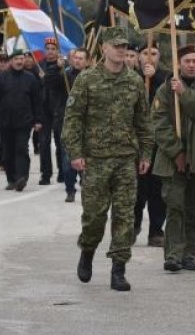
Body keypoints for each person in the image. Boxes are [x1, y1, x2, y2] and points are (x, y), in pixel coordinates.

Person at [63, 27, 151, 292]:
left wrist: (146, 153)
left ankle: (118, 270)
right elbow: (73, 118)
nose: (122, 50)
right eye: (116, 46)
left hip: (126, 159)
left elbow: (144, 122)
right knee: (94, 216)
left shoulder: (134, 81)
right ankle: (87, 250)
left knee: (125, 216)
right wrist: (75, 153)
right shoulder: (87, 79)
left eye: (124, 46)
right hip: (96, 160)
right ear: (104, 48)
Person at [151, 43, 195, 273]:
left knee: (194, 209)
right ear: (178, 64)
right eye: (186, 61)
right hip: (173, 160)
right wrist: (176, 152)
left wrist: (184, 93)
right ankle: (172, 255)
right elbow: (159, 124)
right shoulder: (164, 89)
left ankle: (190, 254)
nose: (191, 65)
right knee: (175, 207)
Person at [0, 50, 43, 192]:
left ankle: (22, 177)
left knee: (21, 149)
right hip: (5, 122)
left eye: (21, 58)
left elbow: (37, 101)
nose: (19, 61)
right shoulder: (1, 78)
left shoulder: (30, 78)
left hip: (24, 122)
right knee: (8, 151)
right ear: (11, 61)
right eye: (16, 58)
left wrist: (38, 120)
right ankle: (11, 179)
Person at [134, 38, 167, 245]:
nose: (149, 57)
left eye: (153, 53)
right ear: (138, 56)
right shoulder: (131, 77)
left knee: (158, 192)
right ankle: (133, 225)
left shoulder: (166, 78)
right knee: (136, 191)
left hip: (159, 144)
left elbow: (167, 105)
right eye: (145, 53)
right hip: (136, 144)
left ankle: (156, 231)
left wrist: (154, 80)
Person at [39, 38, 69, 186]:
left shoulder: (65, 66)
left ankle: (62, 172)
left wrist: (59, 68)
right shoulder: (40, 65)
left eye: (53, 48)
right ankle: (45, 174)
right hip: (44, 109)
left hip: (59, 108)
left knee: (60, 142)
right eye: (48, 48)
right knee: (43, 143)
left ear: (58, 51)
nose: (50, 51)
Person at [62, 48, 89, 203]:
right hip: (69, 124)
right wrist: (55, 68)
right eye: (75, 58)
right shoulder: (65, 75)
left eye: (81, 58)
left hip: (87, 126)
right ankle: (70, 189)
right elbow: (49, 82)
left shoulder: (92, 78)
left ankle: (86, 185)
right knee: (68, 161)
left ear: (87, 61)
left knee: (86, 161)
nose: (77, 61)